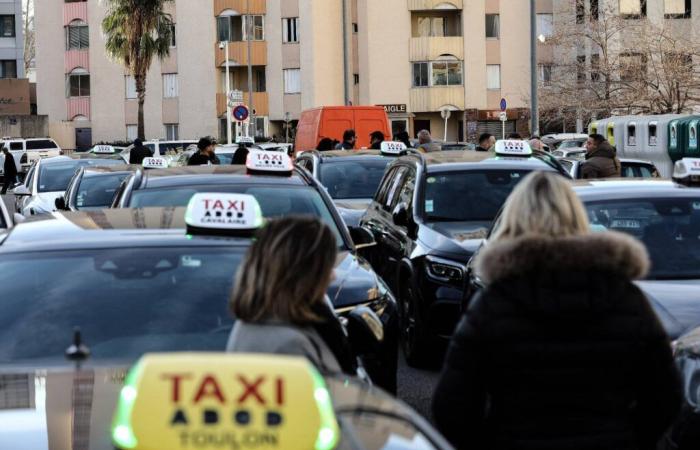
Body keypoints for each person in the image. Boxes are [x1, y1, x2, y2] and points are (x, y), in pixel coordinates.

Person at [432, 171, 682, 450]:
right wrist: (631, 438)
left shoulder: (494, 303)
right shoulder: (625, 298)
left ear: (513, 220)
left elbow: (451, 405)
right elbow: (665, 394)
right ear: (578, 218)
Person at [227, 216, 358, 375]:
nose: (332, 276)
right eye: (325, 268)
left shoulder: (269, 320)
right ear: (301, 274)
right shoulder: (288, 345)